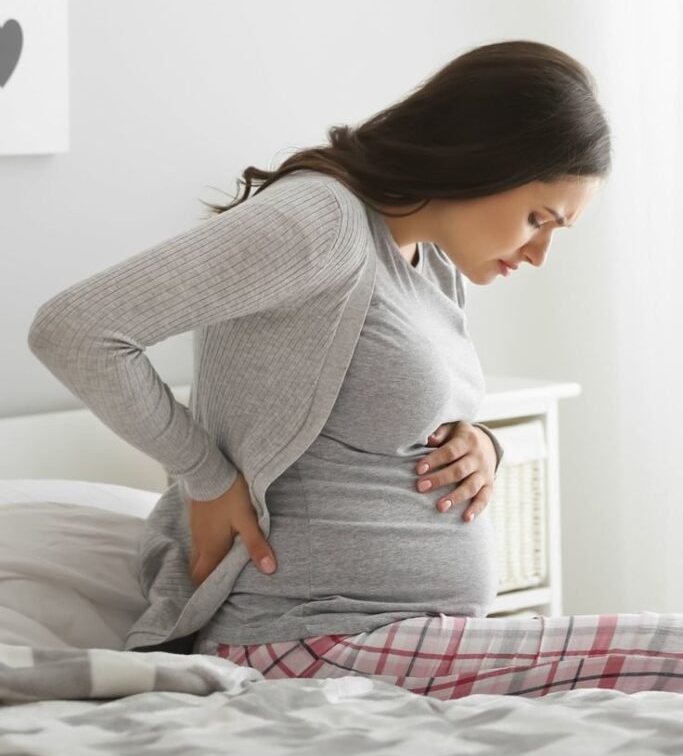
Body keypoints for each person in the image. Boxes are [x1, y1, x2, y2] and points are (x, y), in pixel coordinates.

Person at [29, 39, 683, 697]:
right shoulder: (322, 221)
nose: (539, 253)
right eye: (537, 219)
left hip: (391, 633)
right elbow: (75, 329)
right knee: (670, 652)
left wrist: (480, 444)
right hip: (303, 636)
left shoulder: (431, 262)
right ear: (480, 162)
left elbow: (389, 413)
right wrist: (207, 477)